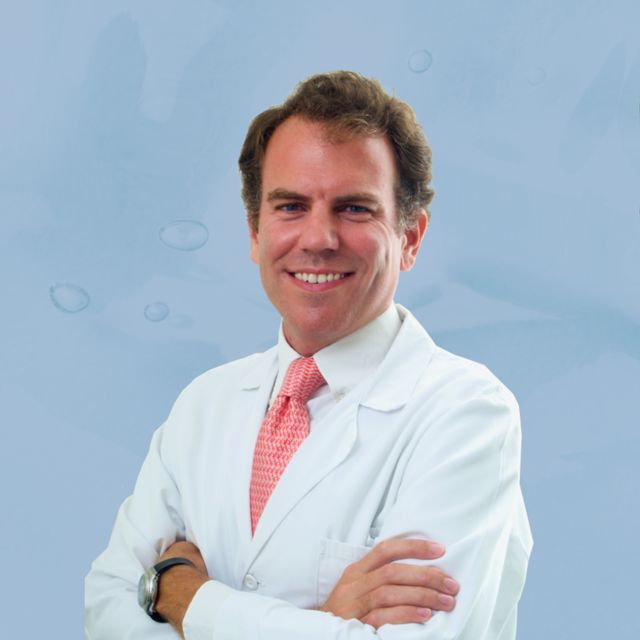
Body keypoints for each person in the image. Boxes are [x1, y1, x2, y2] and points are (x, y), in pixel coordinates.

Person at [85, 71, 532, 639]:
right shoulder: (204, 404)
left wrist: (181, 595)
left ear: (411, 238)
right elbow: (106, 608)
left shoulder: (466, 415)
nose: (318, 238)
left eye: (354, 208)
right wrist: (323, 623)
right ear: (255, 232)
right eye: (291, 206)